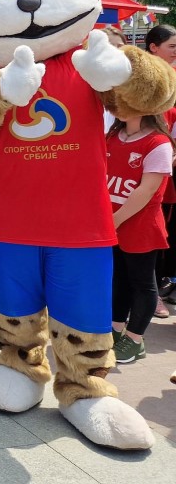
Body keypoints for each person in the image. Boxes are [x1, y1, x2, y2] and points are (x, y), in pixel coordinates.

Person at [106, 110, 173, 363]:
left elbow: (146, 190)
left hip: (140, 226)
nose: (117, 106)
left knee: (142, 283)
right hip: (113, 223)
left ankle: (135, 340)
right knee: (119, 278)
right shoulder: (113, 136)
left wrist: (116, 220)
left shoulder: (158, 142)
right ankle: (115, 328)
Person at [145, 24, 176, 317]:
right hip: (132, 171)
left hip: (162, 174)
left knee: (157, 237)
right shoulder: (141, 82)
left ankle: (153, 291)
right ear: (154, 47)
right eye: (172, 46)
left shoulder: (172, 83)